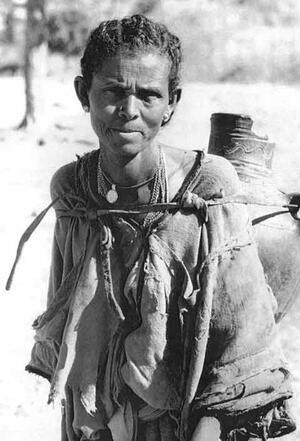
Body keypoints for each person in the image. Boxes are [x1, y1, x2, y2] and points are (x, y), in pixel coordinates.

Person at [24, 14, 295, 441]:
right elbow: (71, 339)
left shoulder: (208, 192)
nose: (129, 110)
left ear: (172, 102)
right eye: (112, 91)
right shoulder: (74, 192)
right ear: (83, 93)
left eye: (149, 95)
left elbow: (236, 358)